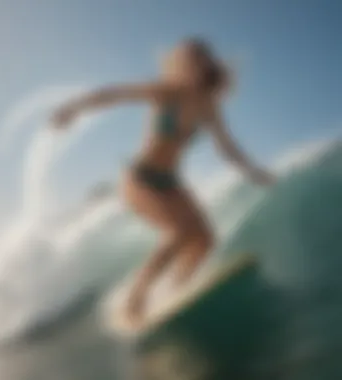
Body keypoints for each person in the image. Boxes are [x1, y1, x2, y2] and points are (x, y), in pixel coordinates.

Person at [51, 38, 275, 323]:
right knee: (179, 231)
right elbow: (115, 94)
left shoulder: (208, 106)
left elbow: (227, 147)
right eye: (188, 61)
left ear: (207, 64)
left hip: (171, 182)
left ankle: (177, 289)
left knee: (205, 240)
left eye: (200, 60)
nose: (194, 66)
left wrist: (255, 172)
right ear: (180, 66)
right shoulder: (165, 92)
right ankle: (135, 299)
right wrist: (73, 108)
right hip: (140, 178)